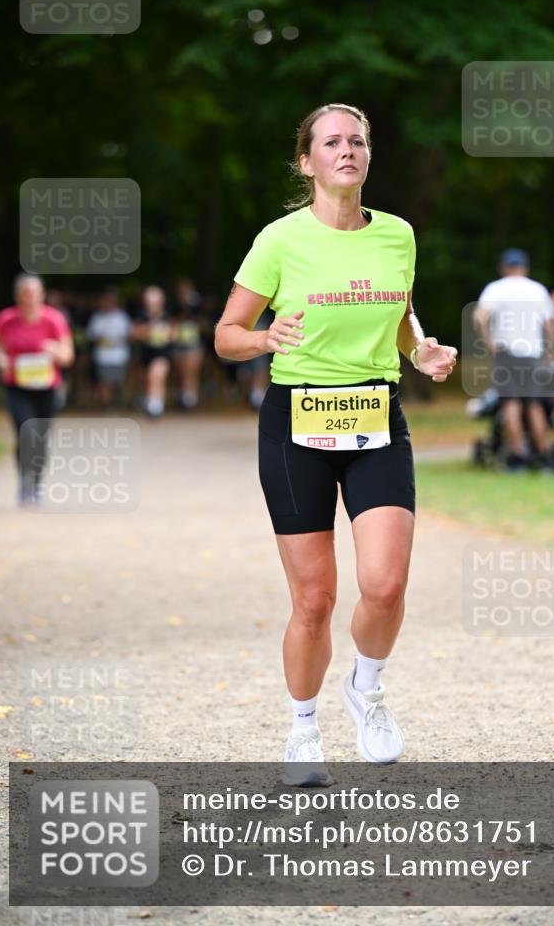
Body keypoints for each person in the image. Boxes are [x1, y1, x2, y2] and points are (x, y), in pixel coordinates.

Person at [214, 103, 457, 784]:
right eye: (331, 141)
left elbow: (400, 311)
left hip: (376, 414)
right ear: (306, 160)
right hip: (297, 420)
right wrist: (264, 338)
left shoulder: (398, 236)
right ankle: (301, 730)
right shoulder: (279, 240)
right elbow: (226, 332)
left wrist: (421, 349)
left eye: (357, 140)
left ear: (368, 155)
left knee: (384, 584)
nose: (346, 150)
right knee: (315, 598)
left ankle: (366, 689)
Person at [0, 273, 74, 506]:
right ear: (18, 297)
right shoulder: (6, 319)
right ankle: (25, 483)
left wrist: (54, 349)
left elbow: (68, 356)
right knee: (25, 433)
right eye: (24, 296)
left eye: (33, 295)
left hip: (46, 388)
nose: (29, 301)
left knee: (39, 438)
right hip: (17, 386)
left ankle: (36, 483)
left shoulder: (54, 320)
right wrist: (0, 359)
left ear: (41, 295)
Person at [473, 249, 554, 472]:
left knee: (511, 404)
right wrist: (549, 351)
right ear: (525, 267)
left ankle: (517, 456)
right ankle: (545, 455)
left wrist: (490, 343)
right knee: (535, 405)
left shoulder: (496, 288)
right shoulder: (538, 289)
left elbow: (479, 317)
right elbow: (549, 324)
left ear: (503, 267)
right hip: (533, 354)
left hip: (507, 353)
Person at [86, 288, 133, 410]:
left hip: (118, 355)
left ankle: (115, 401)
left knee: (116, 380)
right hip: (102, 355)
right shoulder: (97, 317)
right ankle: (106, 403)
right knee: (104, 380)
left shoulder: (122, 317)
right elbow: (91, 335)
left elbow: (129, 334)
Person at [131, 286, 173, 418]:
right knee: (148, 379)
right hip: (145, 353)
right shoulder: (141, 316)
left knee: (157, 375)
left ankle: (155, 405)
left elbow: (173, 334)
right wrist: (146, 331)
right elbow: (134, 333)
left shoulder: (168, 315)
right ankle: (151, 401)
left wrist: (166, 335)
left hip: (162, 353)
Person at [170, 278, 206, 410]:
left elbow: (203, 322)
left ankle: (190, 398)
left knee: (191, 371)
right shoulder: (173, 305)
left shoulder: (197, 304)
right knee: (180, 372)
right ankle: (183, 395)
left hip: (193, 343)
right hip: (179, 343)